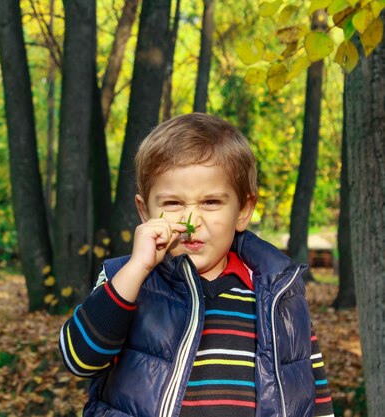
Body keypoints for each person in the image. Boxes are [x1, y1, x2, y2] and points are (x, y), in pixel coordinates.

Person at [58, 113, 334, 417]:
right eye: (173, 203)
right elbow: (79, 360)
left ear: (243, 210)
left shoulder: (278, 293)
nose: (192, 222)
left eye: (211, 202)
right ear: (144, 211)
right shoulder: (125, 281)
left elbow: (313, 390)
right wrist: (136, 269)